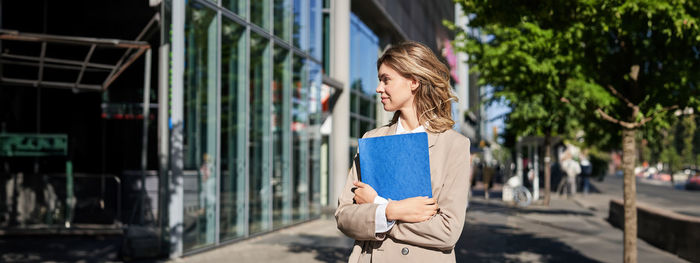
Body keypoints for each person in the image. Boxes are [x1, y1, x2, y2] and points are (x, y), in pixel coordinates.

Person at [335, 41, 471, 263]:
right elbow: (344, 216)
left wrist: (378, 205)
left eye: (386, 79)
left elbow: (448, 231)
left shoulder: (453, 145)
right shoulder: (372, 140)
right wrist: (393, 211)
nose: (379, 88)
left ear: (414, 81)